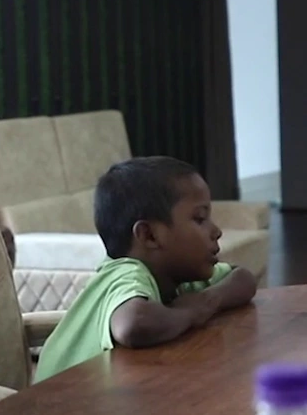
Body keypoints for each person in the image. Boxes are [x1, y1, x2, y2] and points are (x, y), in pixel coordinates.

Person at [34, 157, 258, 382]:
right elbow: (133, 324)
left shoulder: (180, 277)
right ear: (149, 235)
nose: (216, 231)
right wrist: (192, 312)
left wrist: (207, 299)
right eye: (200, 219)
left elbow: (243, 278)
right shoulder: (124, 273)